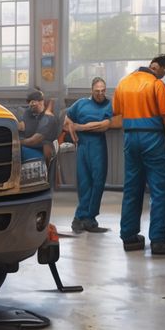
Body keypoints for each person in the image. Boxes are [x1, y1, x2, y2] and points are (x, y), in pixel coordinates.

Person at [113, 54, 165, 255]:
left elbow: (117, 113)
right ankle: (159, 240)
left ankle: (129, 237)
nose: (164, 76)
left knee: (132, 186)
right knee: (161, 188)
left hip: (130, 139)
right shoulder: (156, 85)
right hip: (153, 139)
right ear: (161, 67)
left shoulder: (123, 84)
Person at [64, 77, 112, 233]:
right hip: (83, 146)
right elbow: (67, 120)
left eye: (103, 90)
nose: (100, 94)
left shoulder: (108, 104)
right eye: (97, 91)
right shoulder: (80, 103)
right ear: (91, 90)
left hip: (98, 146)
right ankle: (82, 218)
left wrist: (80, 127)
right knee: (84, 182)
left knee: (97, 182)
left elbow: (103, 125)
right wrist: (72, 128)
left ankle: (88, 218)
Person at [17, 89, 57, 163]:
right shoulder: (28, 112)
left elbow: (34, 140)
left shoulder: (48, 118)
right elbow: (22, 126)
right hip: (26, 145)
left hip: (41, 148)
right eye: (29, 102)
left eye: (33, 101)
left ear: (41, 102)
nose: (30, 104)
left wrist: (16, 142)